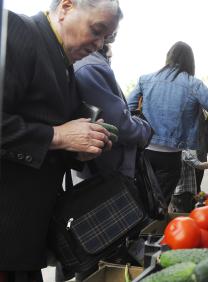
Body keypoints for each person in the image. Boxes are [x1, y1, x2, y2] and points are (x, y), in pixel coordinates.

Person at [0, 0, 122, 280]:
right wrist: (57, 136)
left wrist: (79, 148)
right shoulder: (17, 31)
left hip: (23, 238)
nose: (99, 43)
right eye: (97, 29)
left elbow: (50, 138)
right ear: (66, 7)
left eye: (106, 37)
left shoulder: (63, 61)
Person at [128, 41, 208, 205]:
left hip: (145, 152)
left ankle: (141, 229)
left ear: (168, 58)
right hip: (171, 157)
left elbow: (128, 108)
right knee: (159, 205)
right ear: (190, 61)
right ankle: (154, 230)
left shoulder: (145, 80)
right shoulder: (194, 84)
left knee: (142, 200)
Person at [74, 40, 152, 180]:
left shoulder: (83, 61)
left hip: (99, 166)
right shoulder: (92, 65)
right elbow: (118, 126)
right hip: (110, 169)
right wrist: (144, 129)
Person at [195, 110, 208, 193]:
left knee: (195, 183)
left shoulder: (199, 114)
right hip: (199, 153)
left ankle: (195, 198)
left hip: (199, 152)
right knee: (196, 183)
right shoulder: (201, 115)